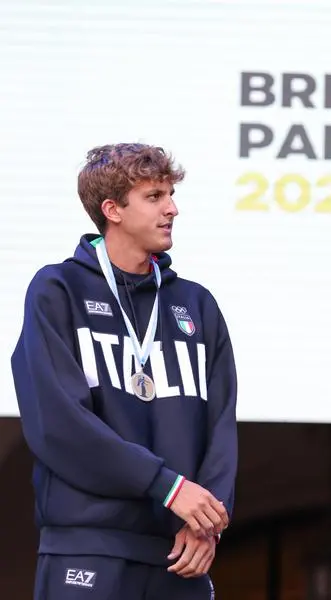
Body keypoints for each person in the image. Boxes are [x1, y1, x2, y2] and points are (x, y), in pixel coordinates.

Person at [10, 143, 239, 599]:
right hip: (88, 548)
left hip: (181, 553)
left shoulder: (197, 304)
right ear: (112, 209)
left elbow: (221, 423)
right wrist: (168, 487)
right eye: (154, 197)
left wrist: (207, 521)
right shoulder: (58, 290)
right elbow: (59, 424)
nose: (172, 208)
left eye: (170, 194)